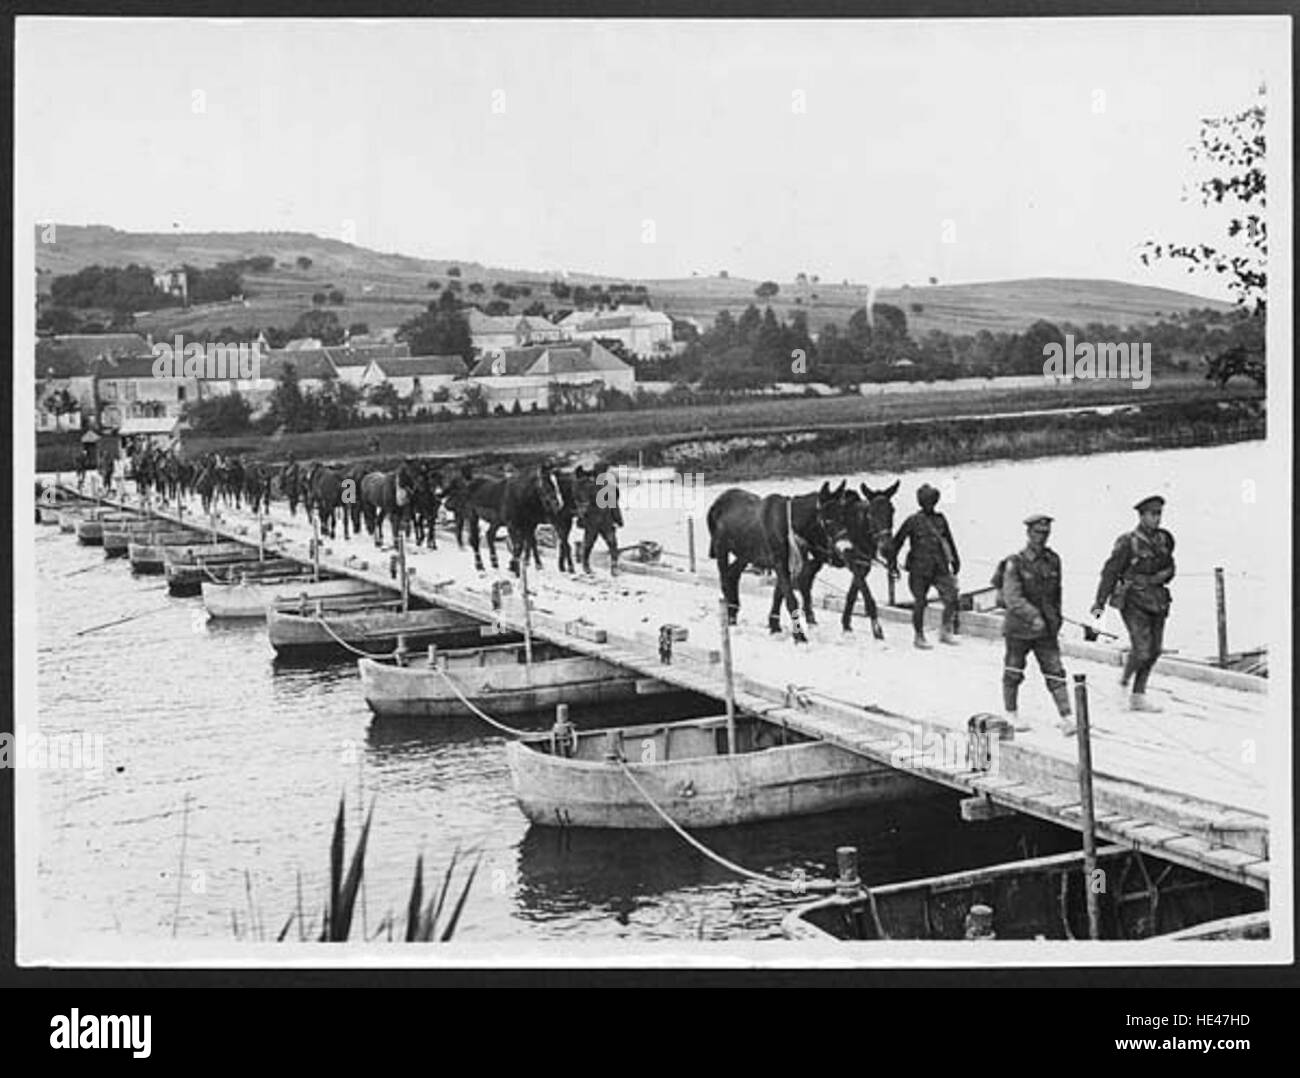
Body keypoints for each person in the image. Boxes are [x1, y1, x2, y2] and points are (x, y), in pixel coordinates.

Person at [1090, 495, 1176, 712]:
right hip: (1133, 600)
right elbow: (1110, 572)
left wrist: (1160, 577)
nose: (1156, 519)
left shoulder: (1164, 540)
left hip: (1157, 600)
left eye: (1159, 514)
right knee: (1142, 648)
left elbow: (1170, 567)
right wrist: (1099, 602)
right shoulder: (1128, 542)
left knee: (1155, 650)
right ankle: (1123, 684)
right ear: (1141, 516)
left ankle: (1138, 695)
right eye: (1152, 514)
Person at [1001, 514, 1075, 736]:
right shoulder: (1015, 562)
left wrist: (1056, 618)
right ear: (1028, 533)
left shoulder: (1053, 560)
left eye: (1045, 533)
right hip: (1019, 628)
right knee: (1014, 670)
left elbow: (1057, 592)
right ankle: (1011, 714)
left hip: (1046, 629)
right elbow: (1012, 597)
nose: (1041, 538)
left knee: (1055, 671)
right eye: (1037, 533)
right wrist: (1034, 616)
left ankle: (1067, 717)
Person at [889, 483, 961, 648]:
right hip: (919, 569)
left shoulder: (940, 519)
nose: (930, 504)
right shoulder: (912, 521)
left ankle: (945, 631)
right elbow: (897, 542)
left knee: (951, 598)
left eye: (932, 501)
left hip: (940, 566)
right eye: (927, 501)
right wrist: (892, 563)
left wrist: (956, 559)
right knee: (920, 602)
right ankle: (919, 636)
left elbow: (949, 540)